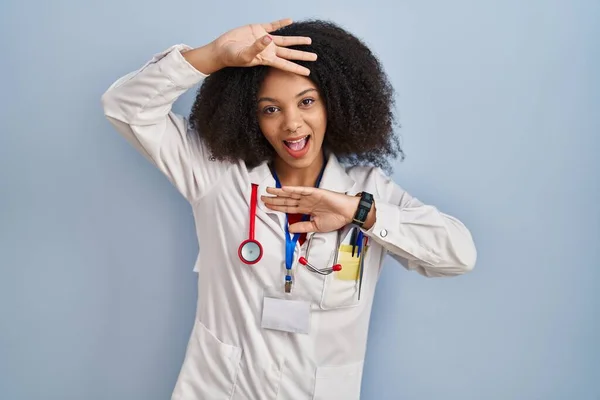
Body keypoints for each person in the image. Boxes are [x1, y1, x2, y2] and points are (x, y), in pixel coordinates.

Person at [101, 18, 477, 400]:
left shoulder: (366, 190)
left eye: (307, 102)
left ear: (335, 103)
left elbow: (458, 255)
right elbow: (124, 107)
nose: (292, 124)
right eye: (270, 109)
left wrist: (359, 212)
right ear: (251, 118)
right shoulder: (217, 177)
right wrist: (214, 56)